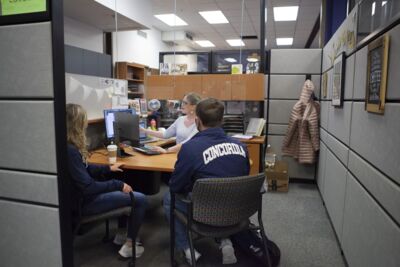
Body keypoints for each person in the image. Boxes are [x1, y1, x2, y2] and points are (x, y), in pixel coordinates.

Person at [163, 98, 250, 265]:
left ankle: (187, 248)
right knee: (222, 194)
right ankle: (225, 241)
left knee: (168, 198)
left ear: (197, 121)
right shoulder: (241, 146)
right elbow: (243, 177)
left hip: (205, 211)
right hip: (236, 209)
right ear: (222, 120)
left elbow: (175, 186)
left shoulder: (190, 148)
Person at [66, 103, 147, 259]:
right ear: (77, 124)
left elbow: (86, 168)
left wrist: (108, 169)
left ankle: (122, 235)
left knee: (123, 185)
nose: (86, 124)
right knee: (140, 199)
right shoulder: (70, 151)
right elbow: (88, 187)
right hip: (84, 203)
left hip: (80, 197)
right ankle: (129, 246)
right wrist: (118, 184)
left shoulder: (68, 146)